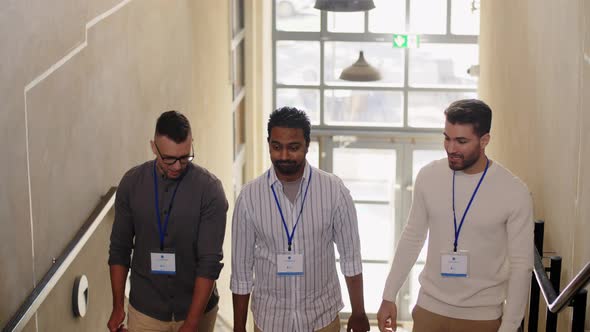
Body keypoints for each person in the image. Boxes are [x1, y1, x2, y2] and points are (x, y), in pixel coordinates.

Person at [377, 99, 533, 332]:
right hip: (429, 309)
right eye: (447, 138)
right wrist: (389, 295)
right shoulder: (429, 176)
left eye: (461, 141)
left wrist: (510, 325)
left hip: (482, 316)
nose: (451, 148)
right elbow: (412, 237)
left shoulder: (514, 192)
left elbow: (522, 265)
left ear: (484, 140)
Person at [231, 107, 370, 332]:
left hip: (322, 319)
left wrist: (359, 312)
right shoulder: (249, 198)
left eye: (293, 147)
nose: (284, 156)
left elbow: (351, 258)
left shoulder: (334, 191)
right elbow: (241, 273)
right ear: (269, 144)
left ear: (307, 144)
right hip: (270, 321)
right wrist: (239, 327)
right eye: (276, 147)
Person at [108, 110, 228, 332]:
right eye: (169, 159)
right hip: (145, 310)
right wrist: (117, 306)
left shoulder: (210, 190)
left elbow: (210, 262)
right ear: (154, 147)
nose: (177, 166)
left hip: (196, 310)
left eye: (185, 158)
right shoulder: (131, 184)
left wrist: (192, 322)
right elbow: (119, 249)